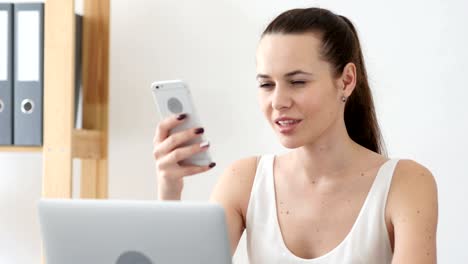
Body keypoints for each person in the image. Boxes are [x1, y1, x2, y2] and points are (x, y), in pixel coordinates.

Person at [152, 7, 438, 264]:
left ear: (347, 81)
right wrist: (170, 189)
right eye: (266, 84)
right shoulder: (244, 181)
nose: (278, 102)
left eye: (297, 82)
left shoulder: (406, 185)